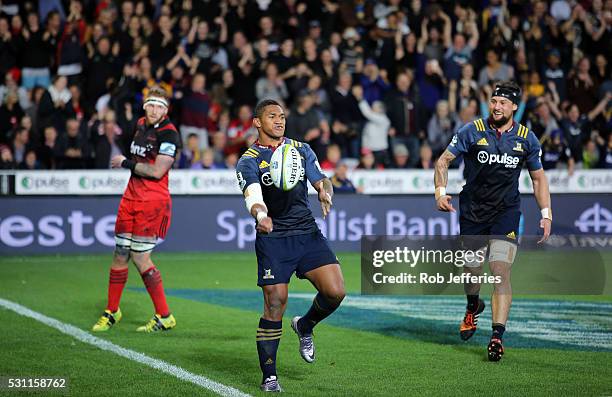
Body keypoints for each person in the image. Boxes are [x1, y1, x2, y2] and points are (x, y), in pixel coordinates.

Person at [434, 80, 552, 362]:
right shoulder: (471, 131)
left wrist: (546, 213)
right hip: (473, 212)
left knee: (500, 272)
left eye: (503, 103)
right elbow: (443, 161)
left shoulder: (527, 138)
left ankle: (497, 336)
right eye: (494, 101)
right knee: (472, 272)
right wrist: (440, 192)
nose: (497, 106)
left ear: (514, 107)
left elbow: (538, 178)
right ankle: (473, 306)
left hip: (506, 213)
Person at [235, 99, 345, 392]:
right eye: (272, 116)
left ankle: (305, 325)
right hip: (274, 238)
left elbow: (322, 179)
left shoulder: (301, 149)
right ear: (257, 122)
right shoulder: (249, 159)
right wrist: (260, 215)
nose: (280, 120)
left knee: (335, 292)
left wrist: (324, 190)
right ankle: (269, 375)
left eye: (282, 116)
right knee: (275, 303)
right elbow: (252, 195)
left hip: (306, 232)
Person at [91, 86, 181, 333]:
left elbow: (157, 171)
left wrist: (125, 163)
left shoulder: (170, 135)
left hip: (152, 202)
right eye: (151, 104)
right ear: (145, 106)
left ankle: (164, 315)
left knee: (140, 257)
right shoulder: (140, 124)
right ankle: (112, 311)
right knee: (120, 252)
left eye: (159, 106)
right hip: (130, 197)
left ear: (166, 110)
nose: (154, 110)